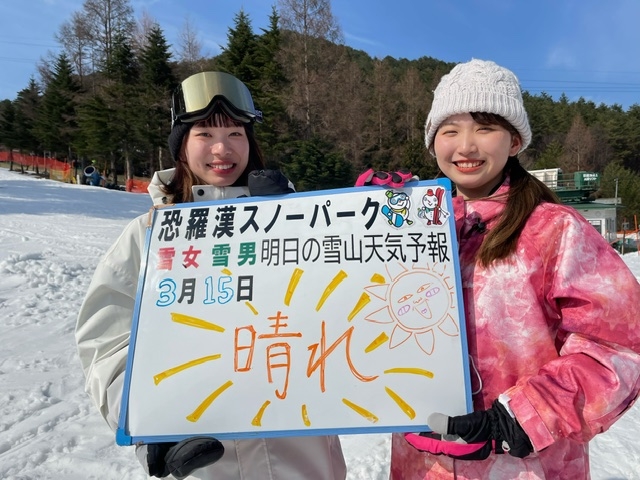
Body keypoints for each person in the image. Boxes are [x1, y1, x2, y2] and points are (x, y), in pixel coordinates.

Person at [75, 71, 346, 480]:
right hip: (206, 462)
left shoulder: (300, 225)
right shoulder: (149, 235)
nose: (222, 148)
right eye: (204, 133)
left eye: (236, 133)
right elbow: (107, 343)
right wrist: (147, 420)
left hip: (303, 463)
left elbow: (346, 306)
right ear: (182, 147)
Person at [390, 59, 640, 479]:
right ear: (434, 143)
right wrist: (360, 223)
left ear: (514, 141)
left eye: (485, 127)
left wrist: (524, 416)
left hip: (521, 465)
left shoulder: (554, 230)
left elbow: (620, 347)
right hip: (423, 463)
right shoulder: (413, 231)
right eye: (450, 130)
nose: (466, 146)